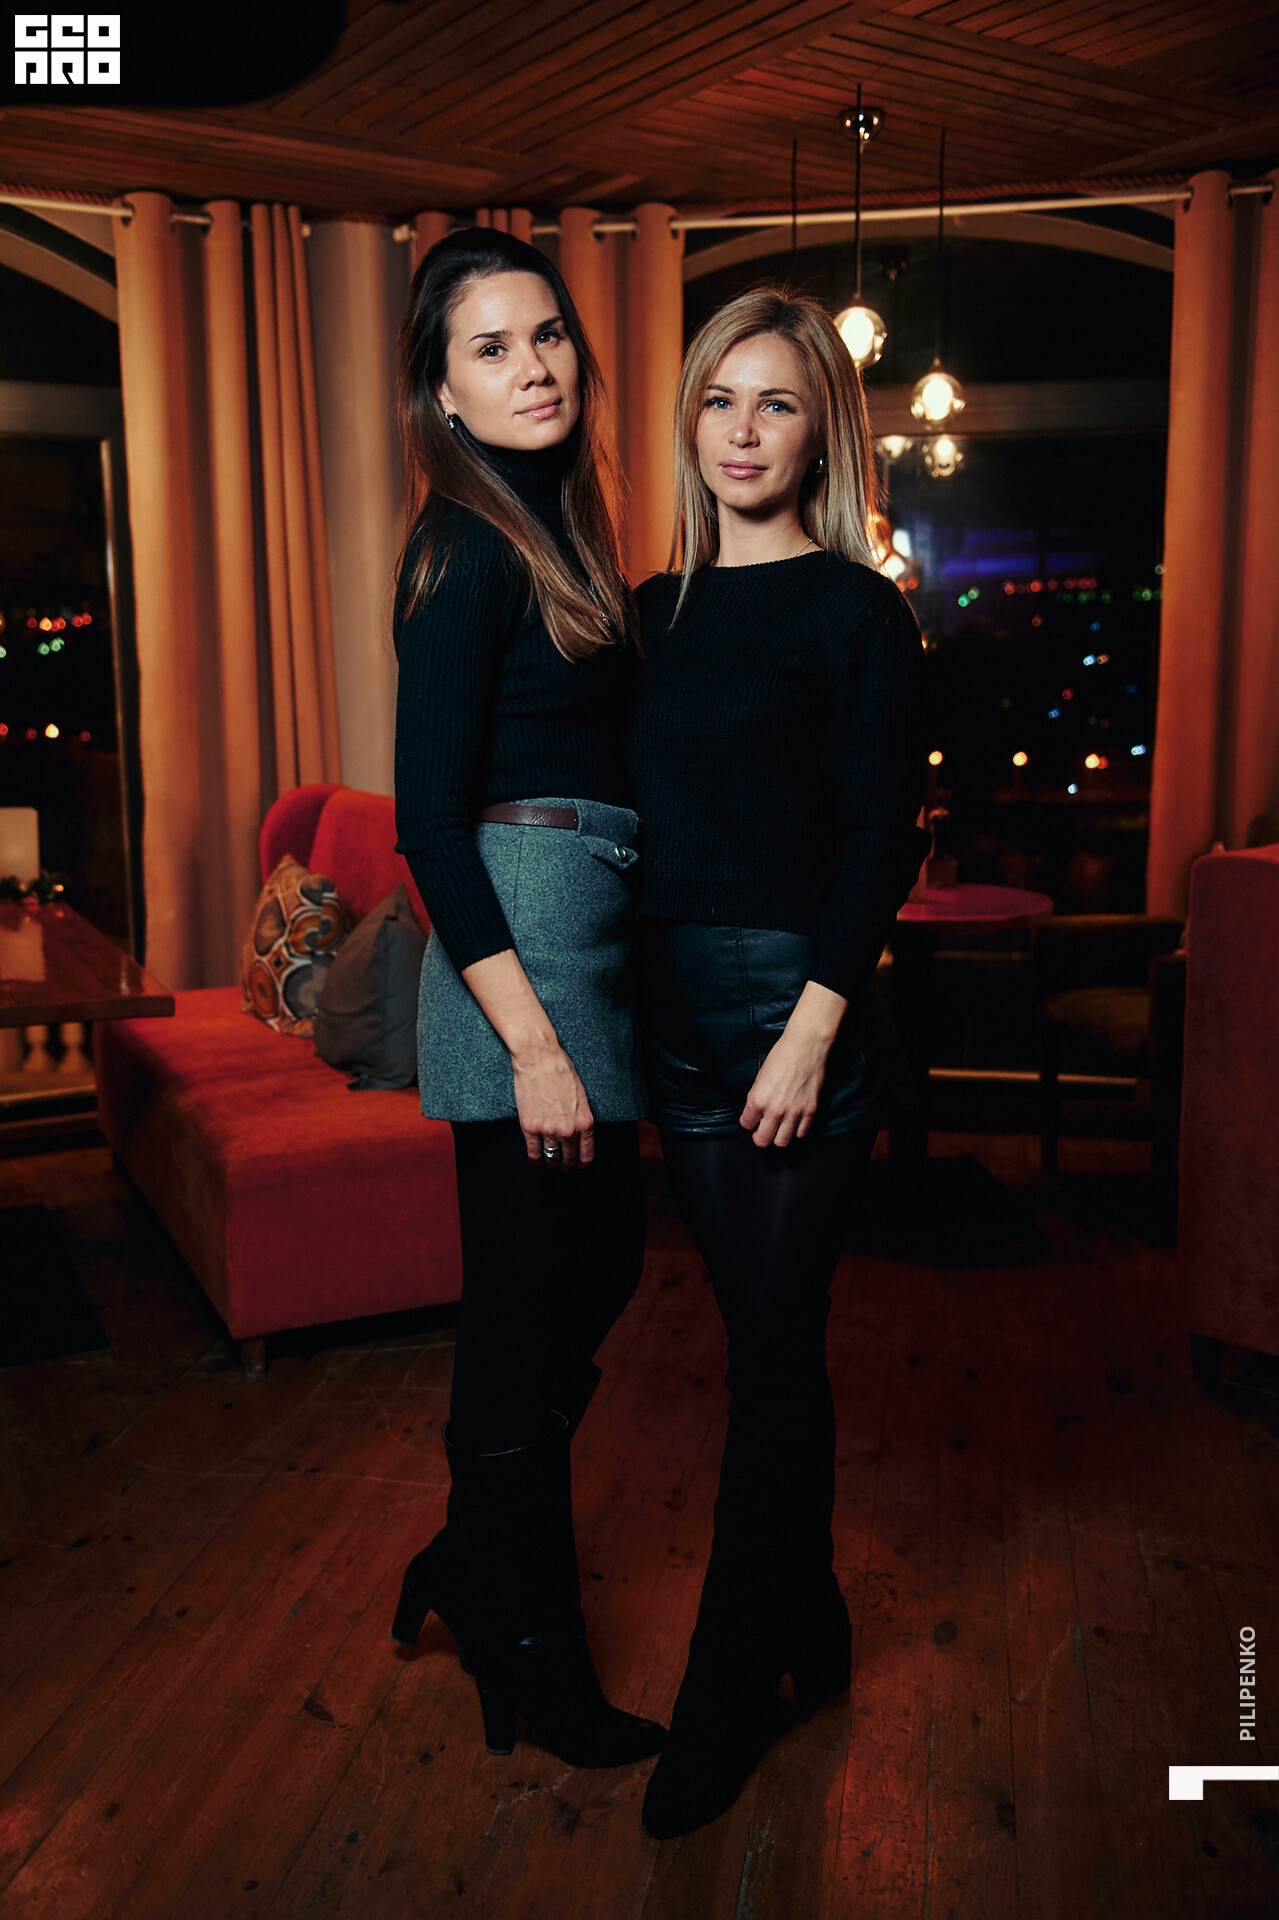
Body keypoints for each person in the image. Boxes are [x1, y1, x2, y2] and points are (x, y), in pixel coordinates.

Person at [627, 287, 929, 1837]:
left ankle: (728, 1684)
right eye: (718, 400)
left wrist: (810, 1032)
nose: (741, 432)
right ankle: (806, 1609)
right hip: (672, 1021)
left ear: (824, 433)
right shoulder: (647, 612)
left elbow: (881, 837)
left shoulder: (858, 612)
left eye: (778, 403)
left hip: (795, 1016)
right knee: (769, 1348)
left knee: (767, 1351)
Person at [388, 227, 663, 1772]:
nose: (534, 366)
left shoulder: (555, 528)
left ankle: (466, 1556)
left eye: (547, 333)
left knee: (600, 1263)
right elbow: (432, 826)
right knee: (518, 1312)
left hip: (584, 947)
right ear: (443, 391)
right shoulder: (462, 549)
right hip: (519, 974)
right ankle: (535, 1651)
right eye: (491, 347)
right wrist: (536, 1047)